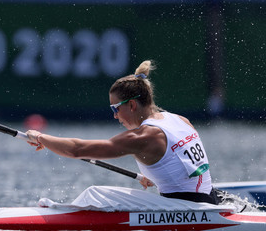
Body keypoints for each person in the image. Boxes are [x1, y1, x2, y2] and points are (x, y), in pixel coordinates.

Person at [26, 60, 219, 204]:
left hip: (185, 208)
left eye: (115, 109)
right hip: (209, 198)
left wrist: (41, 137)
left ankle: (61, 213)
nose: (115, 116)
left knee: (95, 193)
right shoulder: (179, 120)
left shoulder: (145, 136)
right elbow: (184, 166)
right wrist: (154, 176)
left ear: (132, 105)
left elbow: (77, 150)